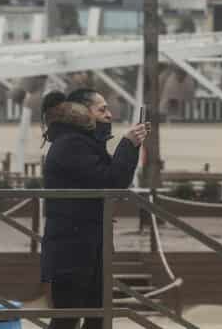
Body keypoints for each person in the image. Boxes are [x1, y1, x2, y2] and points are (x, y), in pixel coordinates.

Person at [40, 88, 148, 329]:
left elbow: (113, 181)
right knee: (68, 318)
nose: (109, 115)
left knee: (95, 315)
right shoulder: (72, 145)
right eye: (102, 109)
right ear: (82, 112)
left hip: (86, 245)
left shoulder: (82, 142)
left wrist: (130, 146)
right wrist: (128, 144)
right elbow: (111, 182)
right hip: (73, 248)